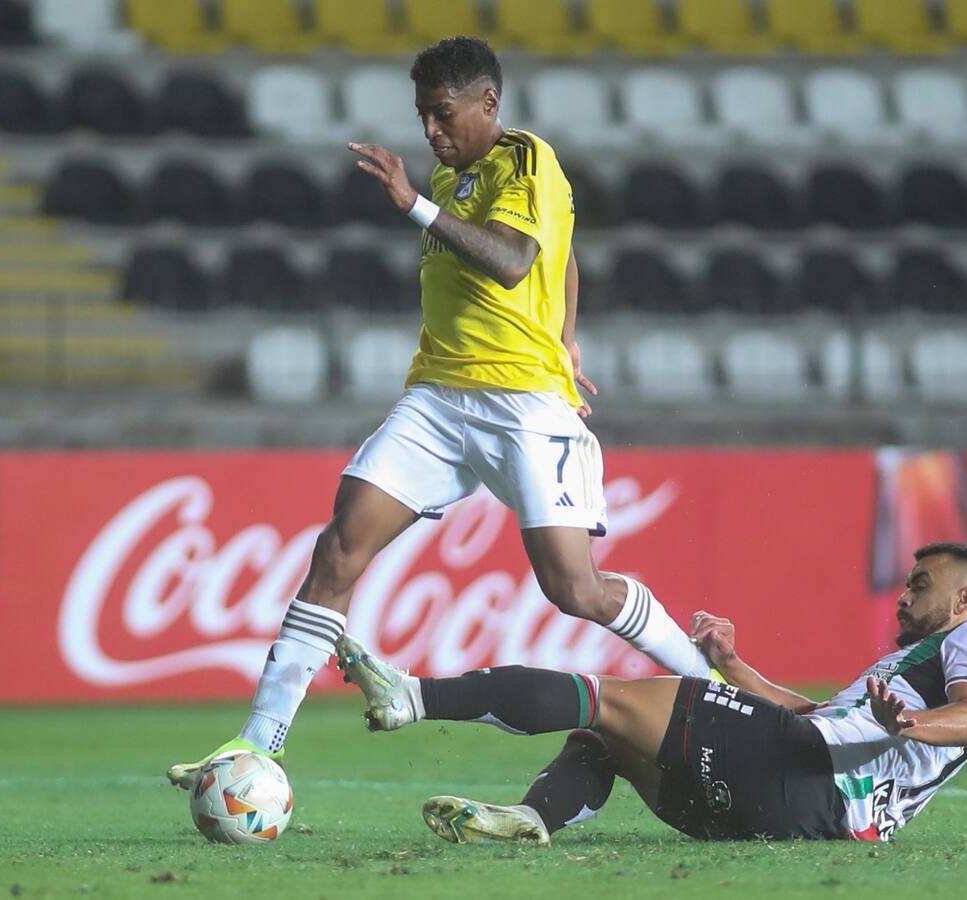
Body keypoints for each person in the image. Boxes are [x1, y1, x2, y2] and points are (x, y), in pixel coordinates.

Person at [167, 36, 717, 788]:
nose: (431, 130)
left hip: (523, 403)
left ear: (488, 104)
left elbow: (518, 259)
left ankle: (709, 690)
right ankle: (256, 744)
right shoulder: (454, 175)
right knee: (338, 548)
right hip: (437, 401)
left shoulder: (524, 159)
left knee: (574, 589)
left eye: (442, 113)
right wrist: (568, 332)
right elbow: (566, 253)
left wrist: (415, 206)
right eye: (423, 115)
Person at [336, 542, 967, 844]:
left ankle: (413, 698)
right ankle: (535, 819)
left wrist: (914, 723)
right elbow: (810, 713)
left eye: (920, 585)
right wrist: (734, 664)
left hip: (805, 776)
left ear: (964, 599)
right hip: (786, 816)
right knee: (608, 733)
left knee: (611, 699)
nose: (904, 595)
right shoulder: (907, 668)